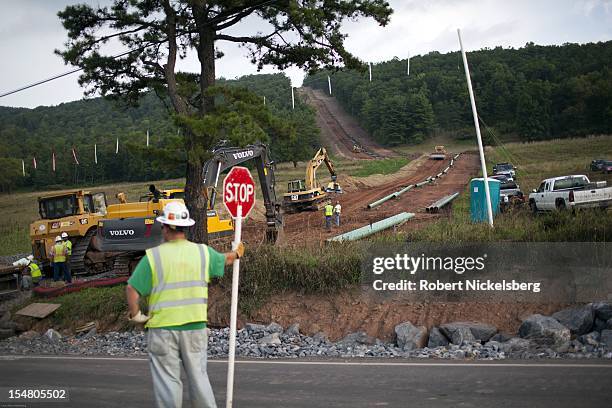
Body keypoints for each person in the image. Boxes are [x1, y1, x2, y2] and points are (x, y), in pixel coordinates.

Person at [126, 202, 244, 408]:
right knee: (199, 378)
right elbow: (225, 259)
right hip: (194, 328)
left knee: (168, 382)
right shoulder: (201, 253)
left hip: (162, 330)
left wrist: (137, 316)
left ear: (165, 227)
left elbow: (132, 290)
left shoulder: (153, 257)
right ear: (185, 227)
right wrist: (237, 253)